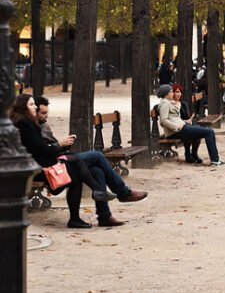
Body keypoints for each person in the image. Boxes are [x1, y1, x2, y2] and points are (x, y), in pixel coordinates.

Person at [35, 96, 147, 227]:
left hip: (60, 159)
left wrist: (64, 145)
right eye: (43, 113)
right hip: (52, 166)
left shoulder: (42, 125)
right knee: (97, 156)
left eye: (47, 112)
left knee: (97, 171)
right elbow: (41, 152)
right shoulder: (30, 127)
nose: (46, 116)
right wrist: (60, 144)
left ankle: (104, 216)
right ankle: (123, 192)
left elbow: (50, 148)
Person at [13, 94, 108, 229]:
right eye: (31, 104)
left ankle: (78, 216)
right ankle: (98, 190)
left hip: (39, 163)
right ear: (23, 107)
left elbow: (41, 149)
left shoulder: (29, 123)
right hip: (34, 168)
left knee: (76, 174)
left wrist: (59, 147)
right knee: (78, 161)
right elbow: (40, 150)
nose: (35, 107)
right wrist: (59, 145)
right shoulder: (24, 124)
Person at [157, 84, 225, 163]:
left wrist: (184, 122)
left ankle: (199, 156)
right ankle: (215, 159)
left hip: (181, 128)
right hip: (176, 131)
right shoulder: (165, 104)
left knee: (203, 131)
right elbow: (163, 120)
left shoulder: (167, 102)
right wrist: (177, 126)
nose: (173, 94)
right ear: (166, 94)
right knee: (209, 132)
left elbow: (173, 118)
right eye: (171, 92)